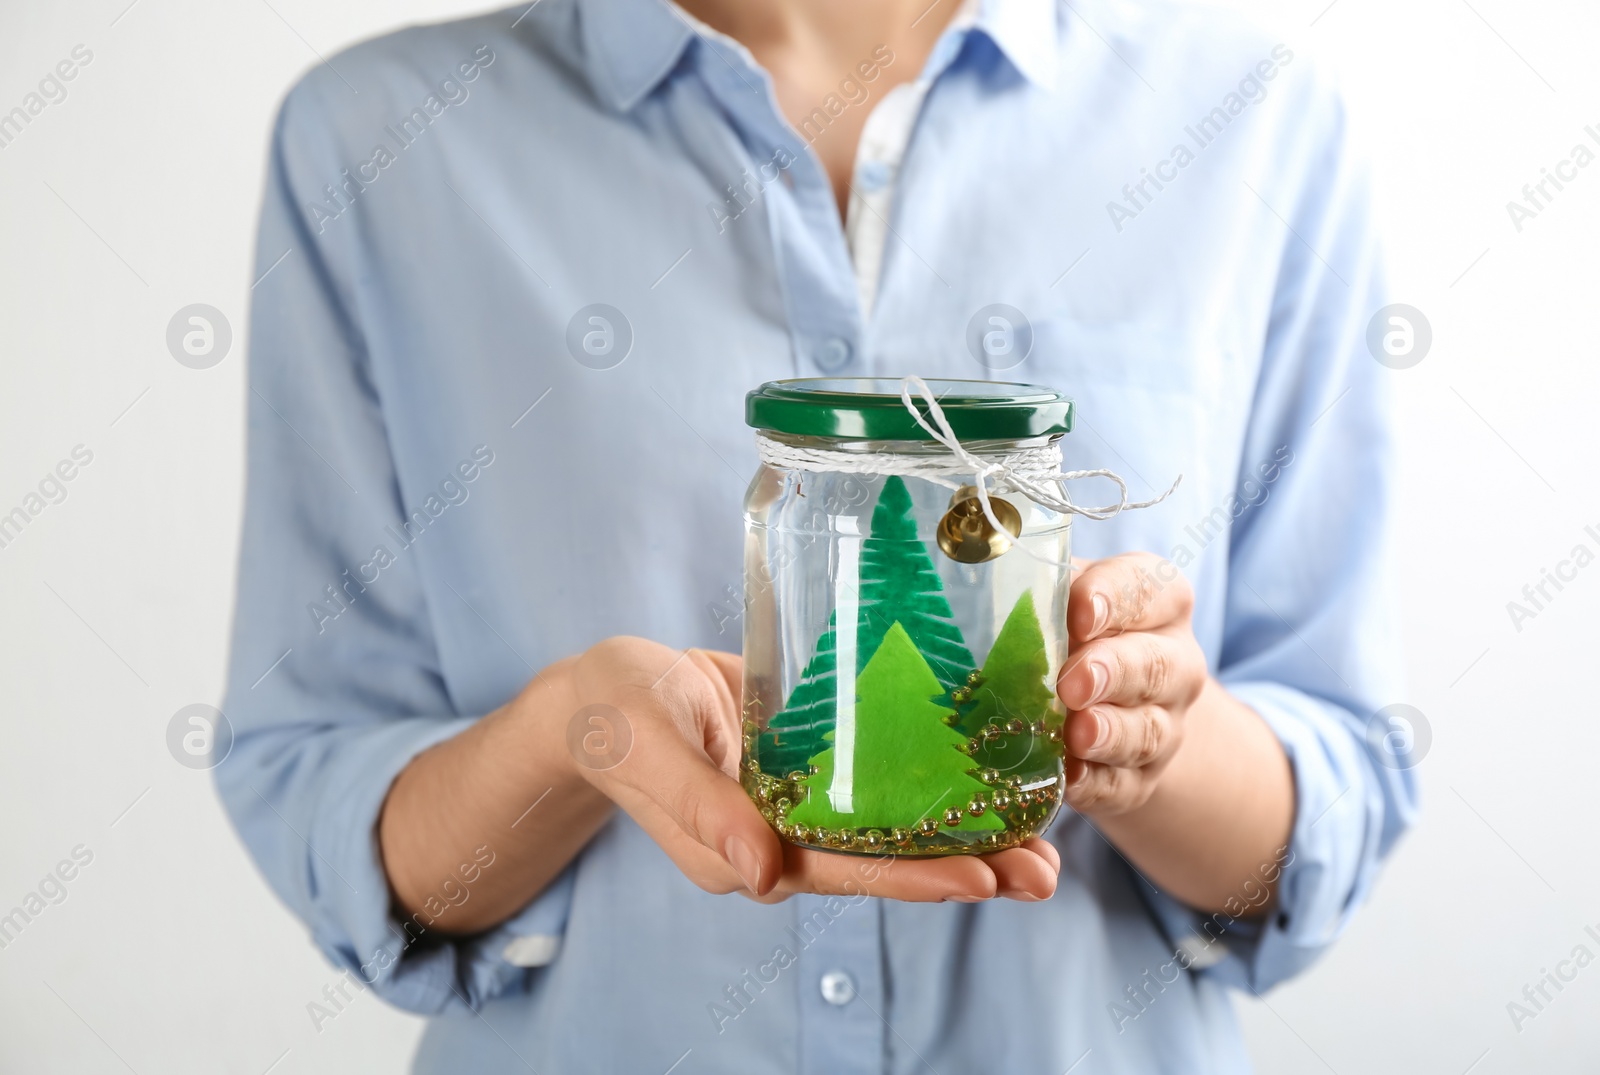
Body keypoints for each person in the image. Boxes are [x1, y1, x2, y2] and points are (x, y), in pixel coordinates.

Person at [218, 0, 1416, 1070]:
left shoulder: (1253, 123)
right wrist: (567, 740)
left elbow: (1329, 807)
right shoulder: (379, 142)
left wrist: (1155, 736)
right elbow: (321, 781)